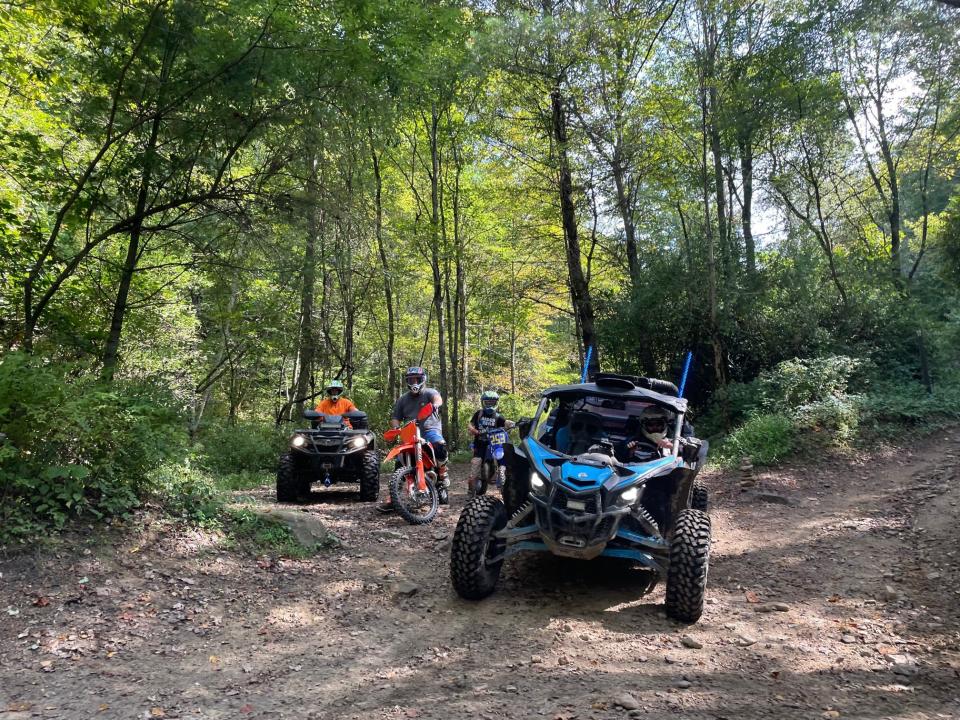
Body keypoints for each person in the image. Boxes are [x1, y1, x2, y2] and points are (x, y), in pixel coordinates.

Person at [378, 366, 450, 512]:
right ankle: (394, 496)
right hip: (410, 432)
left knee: (440, 445)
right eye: (411, 380)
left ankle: (441, 472)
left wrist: (435, 405)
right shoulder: (403, 399)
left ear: (423, 379)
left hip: (430, 429)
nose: (414, 382)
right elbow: (396, 418)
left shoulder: (430, 392)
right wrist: (396, 428)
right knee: (400, 460)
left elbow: (438, 399)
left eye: (417, 379)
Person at [466, 390, 514, 497]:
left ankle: (506, 488)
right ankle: (471, 492)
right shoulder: (479, 414)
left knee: (505, 460)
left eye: (492, 402)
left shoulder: (498, 416)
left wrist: (512, 424)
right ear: (483, 402)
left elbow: (505, 422)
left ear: (496, 403)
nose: (490, 405)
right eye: (487, 402)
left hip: (495, 443)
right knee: (475, 466)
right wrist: (474, 431)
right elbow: (470, 425)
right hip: (480, 444)